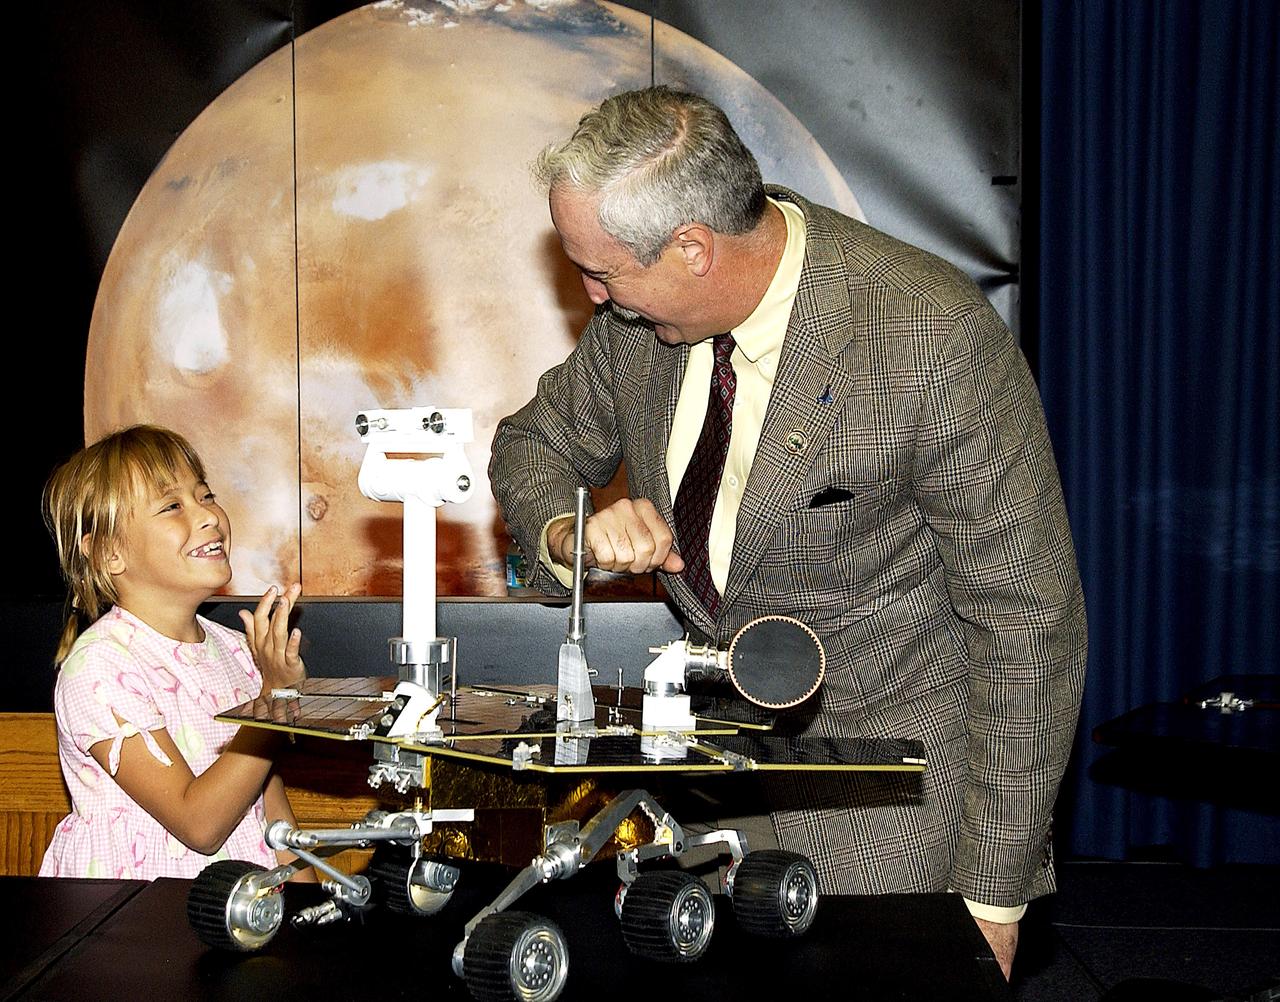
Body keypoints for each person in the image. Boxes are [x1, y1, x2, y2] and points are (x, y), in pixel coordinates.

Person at [490, 86, 1087, 979]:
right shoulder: (635, 330)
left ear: (694, 248)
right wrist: (569, 534)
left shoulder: (928, 335)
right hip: (709, 781)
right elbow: (532, 444)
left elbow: (1029, 622)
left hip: (891, 790)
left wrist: (992, 897)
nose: (591, 295)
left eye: (604, 272)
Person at [39, 424, 308, 881]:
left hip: (241, 907)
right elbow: (199, 824)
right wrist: (275, 705)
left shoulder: (238, 652)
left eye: (205, 496)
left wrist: (311, 908)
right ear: (108, 554)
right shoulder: (99, 667)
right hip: (136, 916)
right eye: (172, 506)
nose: (209, 516)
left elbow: (270, 806)